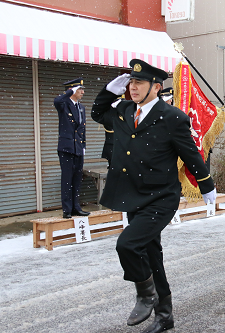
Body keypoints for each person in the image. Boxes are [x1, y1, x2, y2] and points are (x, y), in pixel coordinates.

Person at [91, 59, 217, 333]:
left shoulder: (172, 117)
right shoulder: (124, 109)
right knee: (152, 256)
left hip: (161, 197)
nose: (132, 87)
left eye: (139, 83)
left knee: (127, 245)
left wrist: (206, 184)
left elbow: (190, 153)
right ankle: (165, 316)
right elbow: (97, 113)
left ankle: (146, 294)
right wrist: (109, 92)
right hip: (132, 195)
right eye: (130, 82)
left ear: (156, 87)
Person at [54, 78, 90, 219]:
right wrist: (68, 92)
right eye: (80, 89)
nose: (83, 92)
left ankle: (76, 207)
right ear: (73, 90)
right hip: (66, 147)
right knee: (67, 178)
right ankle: (67, 209)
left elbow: (82, 129)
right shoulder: (64, 104)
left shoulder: (81, 107)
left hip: (78, 147)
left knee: (77, 178)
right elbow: (57, 101)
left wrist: (84, 146)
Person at [93, 95, 125, 167]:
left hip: (124, 148)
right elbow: (96, 115)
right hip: (113, 147)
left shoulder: (127, 112)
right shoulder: (110, 113)